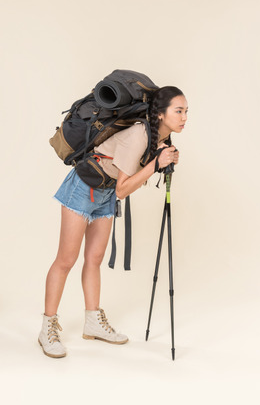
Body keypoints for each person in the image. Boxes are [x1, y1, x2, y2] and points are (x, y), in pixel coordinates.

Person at [38, 86, 188, 358]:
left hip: (104, 192)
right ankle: (47, 327)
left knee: (94, 259)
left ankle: (92, 321)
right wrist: (155, 165)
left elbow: (122, 185)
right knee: (65, 260)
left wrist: (162, 159)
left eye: (186, 111)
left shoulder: (158, 138)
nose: (184, 117)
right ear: (161, 114)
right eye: (178, 111)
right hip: (83, 188)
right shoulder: (139, 135)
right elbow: (123, 190)